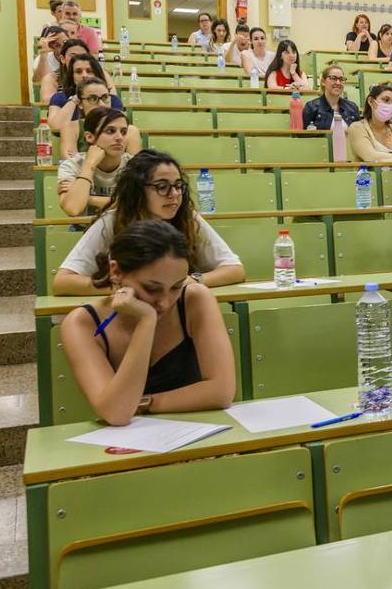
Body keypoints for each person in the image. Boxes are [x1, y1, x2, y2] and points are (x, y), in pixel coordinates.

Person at [59, 220, 235, 426]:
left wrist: (145, 403)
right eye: (151, 289)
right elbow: (116, 413)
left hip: (195, 432)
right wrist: (146, 321)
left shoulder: (195, 299)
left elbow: (221, 392)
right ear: (115, 271)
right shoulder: (82, 323)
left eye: (176, 287)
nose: (165, 302)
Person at [52, 150, 246, 295]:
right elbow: (62, 282)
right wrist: (123, 287)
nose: (174, 194)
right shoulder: (111, 222)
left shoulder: (188, 218)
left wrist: (193, 280)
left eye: (178, 186)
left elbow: (235, 270)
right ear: (138, 190)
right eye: (162, 187)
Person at [56, 107, 132, 217]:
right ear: (89, 137)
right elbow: (72, 209)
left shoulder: (135, 165)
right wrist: (89, 164)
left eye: (124, 132)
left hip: (125, 229)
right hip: (84, 230)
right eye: (110, 131)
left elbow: (137, 206)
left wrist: (88, 198)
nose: (119, 137)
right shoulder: (71, 165)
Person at [57, 75, 142, 159]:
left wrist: (82, 157)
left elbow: (134, 168)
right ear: (80, 104)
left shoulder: (130, 131)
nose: (101, 104)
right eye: (93, 99)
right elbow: (70, 163)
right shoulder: (70, 128)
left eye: (105, 97)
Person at [47, 55, 122, 135]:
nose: (84, 75)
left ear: (97, 74)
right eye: (78, 71)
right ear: (72, 75)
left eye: (89, 71)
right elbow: (56, 128)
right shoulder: (60, 97)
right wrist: (76, 98)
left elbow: (120, 129)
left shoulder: (112, 99)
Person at [347, 84, 392, 162]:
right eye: (386, 100)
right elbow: (370, 157)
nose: (390, 106)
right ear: (371, 101)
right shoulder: (357, 127)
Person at [301, 65, 361, 130]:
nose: (338, 83)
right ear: (323, 82)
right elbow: (306, 137)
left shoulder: (352, 107)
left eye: (341, 79)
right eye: (333, 78)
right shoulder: (311, 107)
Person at [33, 25, 66, 96]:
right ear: (51, 46)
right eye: (57, 45)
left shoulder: (74, 54)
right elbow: (37, 81)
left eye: (65, 42)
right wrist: (44, 51)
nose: (63, 48)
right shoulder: (41, 58)